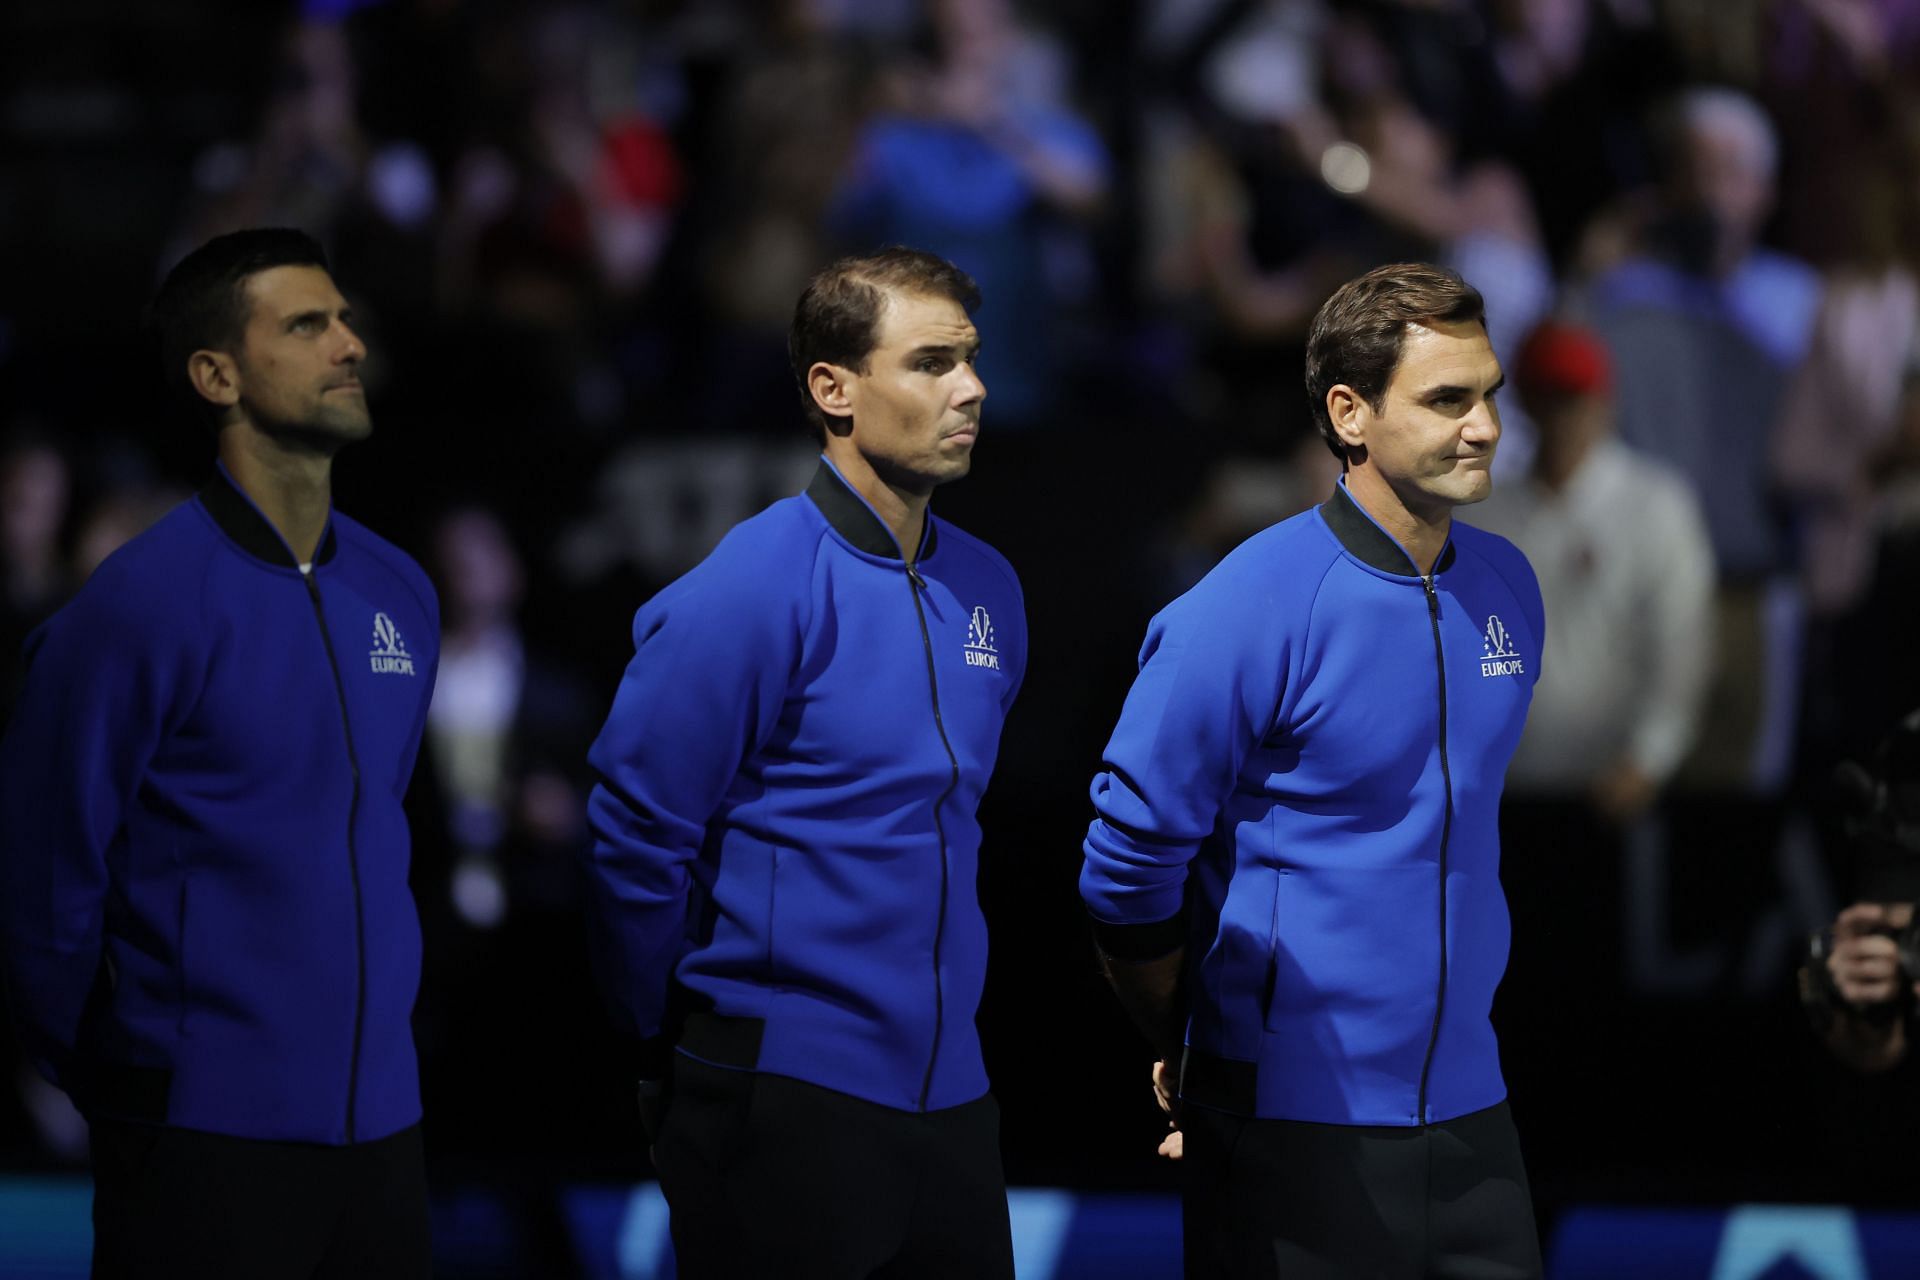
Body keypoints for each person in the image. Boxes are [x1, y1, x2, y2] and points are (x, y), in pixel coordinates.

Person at [1081, 262, 1545, 1279]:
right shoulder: (1249, 602)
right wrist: (1191, 1035)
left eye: (1489, 393)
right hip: (1294, 1125)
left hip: (1476, 1120)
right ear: (1350, 412)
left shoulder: (1510, 585)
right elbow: (1127, 860)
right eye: (1446, 399)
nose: (1485, 425)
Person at [0, 228, 439, 1279]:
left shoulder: (404, 594)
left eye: (344, 319)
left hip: (386, 1137)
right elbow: (41, 873)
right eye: (306, 324)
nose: (349, 345)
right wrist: (134, 1072)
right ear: (217, 374)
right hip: (202, 1140)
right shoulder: (135, 608)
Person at [582, 247, 1026, 1279]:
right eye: (930, 362)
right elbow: (633, 839)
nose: (972, 388)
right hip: (780, 1097)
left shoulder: (991, 588)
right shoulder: (749, 587)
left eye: (969, 358)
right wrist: (678, 1054)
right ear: (834, 387)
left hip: (954, 1100)